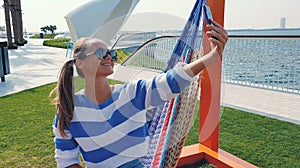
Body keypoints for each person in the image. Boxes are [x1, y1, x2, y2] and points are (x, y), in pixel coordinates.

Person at [50, 20, 228, 168]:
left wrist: (212, 56)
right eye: (100, 53)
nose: (109, 57)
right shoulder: (69, 110)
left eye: (110, 53)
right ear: (80, 63)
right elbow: (66, 160)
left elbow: (171, 81)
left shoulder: (132, 94)